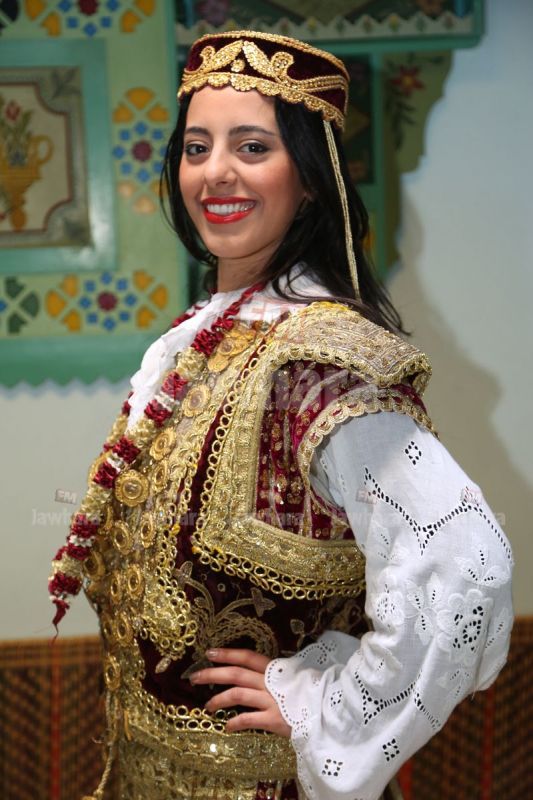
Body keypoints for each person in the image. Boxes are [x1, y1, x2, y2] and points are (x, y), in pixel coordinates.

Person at [49, 30, 514, 800]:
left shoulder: (321, 362)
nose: (215, 171)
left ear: (308, 179)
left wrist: (331, 703)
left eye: (252, 146)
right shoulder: (205, 339)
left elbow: (466, 566)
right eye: (196, 147)